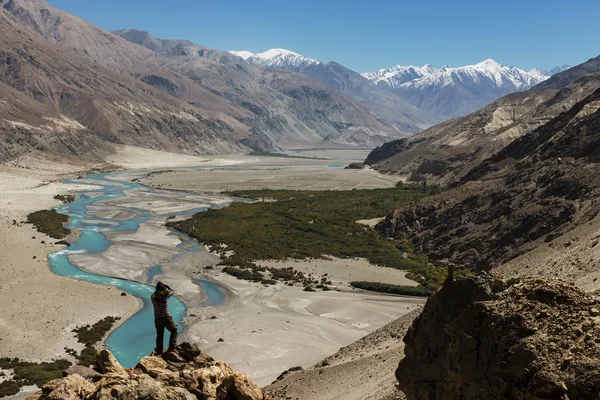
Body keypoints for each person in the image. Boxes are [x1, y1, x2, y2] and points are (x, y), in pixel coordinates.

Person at [151, 281, 178, 355]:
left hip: (157, 319)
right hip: (166, 317)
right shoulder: (164, 296)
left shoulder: (152, 297)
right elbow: (172, 292)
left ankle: (159, 350)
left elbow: (156, 295)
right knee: (174, 330)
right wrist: (167, 287)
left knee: (160, 335)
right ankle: (171, 347)